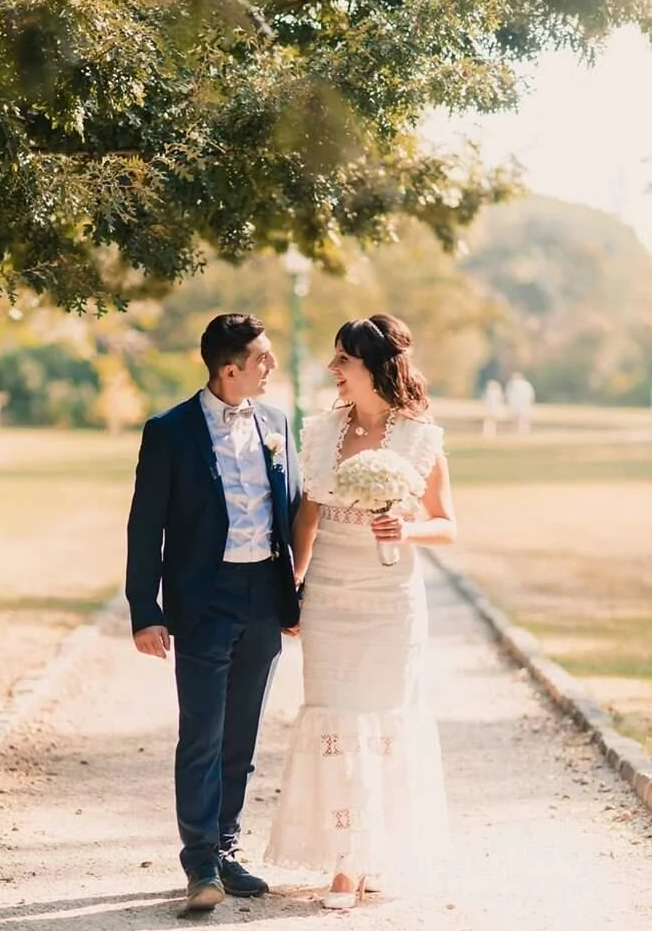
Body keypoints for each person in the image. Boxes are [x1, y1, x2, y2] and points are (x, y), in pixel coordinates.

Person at [265, 314, 456, 908]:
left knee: (383, 722)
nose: (333, 369)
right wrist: (293, 587)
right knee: (335, 722)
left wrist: (406, 529)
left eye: (343, 360)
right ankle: (345, 859)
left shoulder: (421, 438)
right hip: (330, 597)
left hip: (390, 602)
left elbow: (447, 524)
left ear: (375, 367)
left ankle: (366, 857)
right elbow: (307, 518)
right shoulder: (322, 432)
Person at [126, 313, 301, 912]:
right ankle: (199, 861)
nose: (271, 366)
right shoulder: (169, 431)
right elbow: (145, 526)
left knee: (241, 736)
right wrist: (144, 610)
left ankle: (225, 848)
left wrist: (297, 595)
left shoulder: (277, 423)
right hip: (204, 600)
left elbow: (292, 512)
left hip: (263, 597)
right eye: (262, 358)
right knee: (202, 733)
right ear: (230, 370)